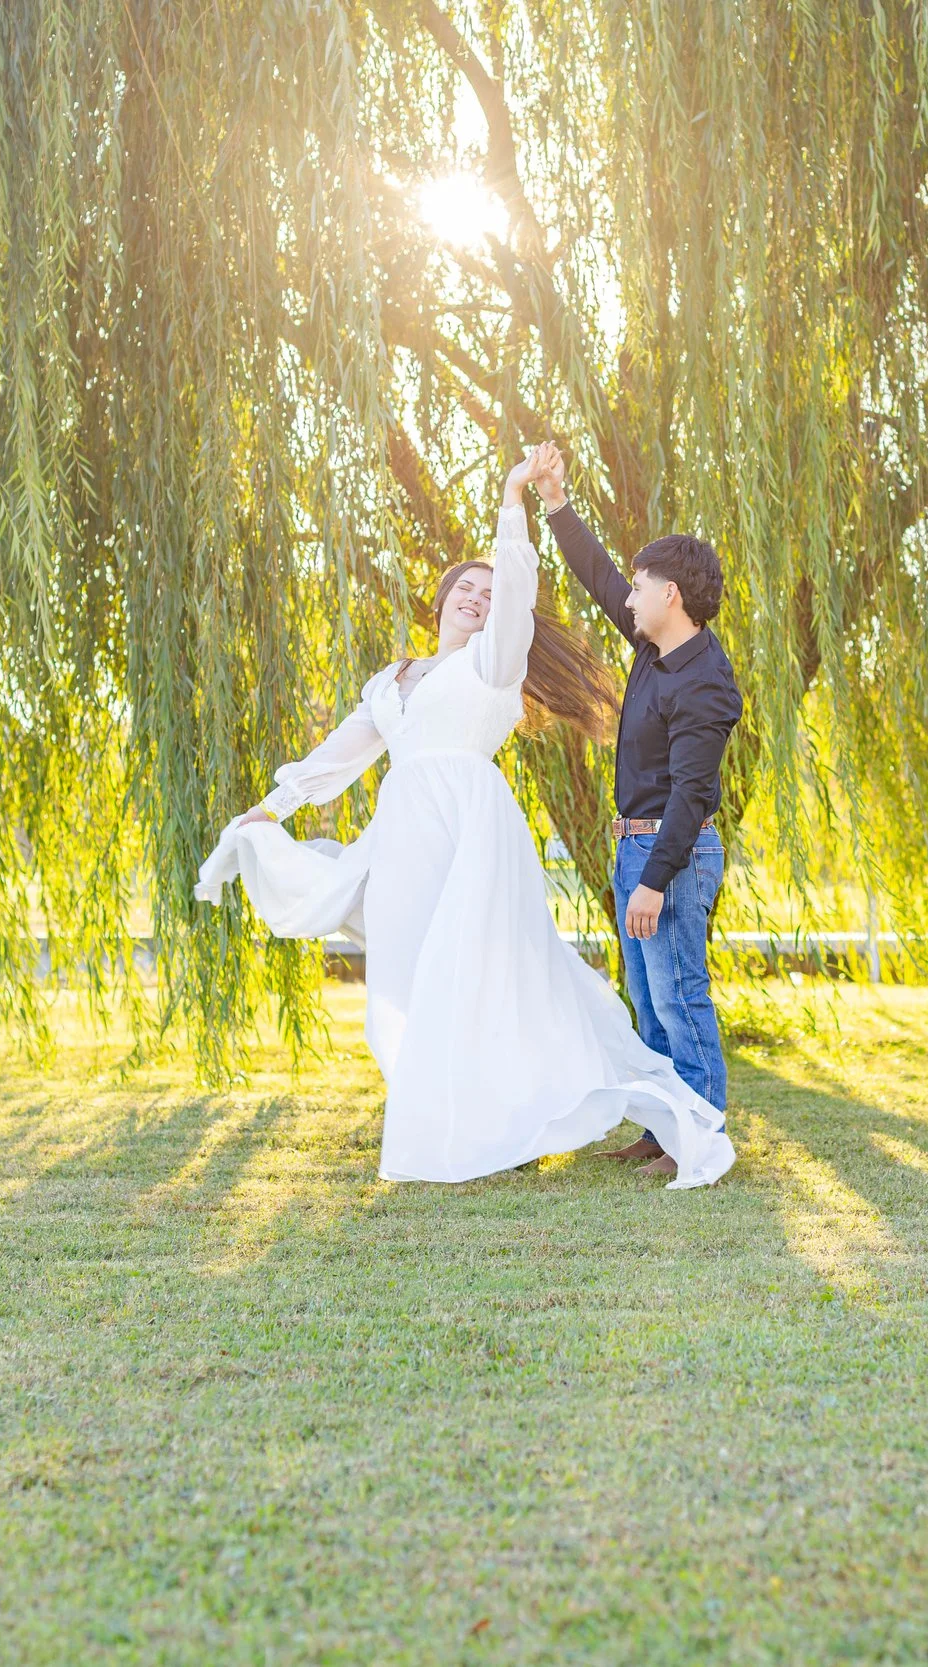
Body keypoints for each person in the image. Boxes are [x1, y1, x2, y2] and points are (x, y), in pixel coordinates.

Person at [193, 450, 736, 1190]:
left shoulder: (496, 665)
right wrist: (270, 806)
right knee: (417, 976)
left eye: (488, 590)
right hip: (408, 835)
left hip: (481, 835)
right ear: (440, 601)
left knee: (524, 978)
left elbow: (519, 590)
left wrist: (516, 501)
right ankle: (477, 1117)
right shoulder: (393, 681)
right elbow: (338, 754)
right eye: (466, 589)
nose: (479, 598)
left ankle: (676, 1122)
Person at [528, 443, 742, 1181]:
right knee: (649, 1005)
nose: (629, 597)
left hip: (670, 858)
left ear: (672, 596)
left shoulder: (706, 681)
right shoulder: (655, 650)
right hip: (634, 852)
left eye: (643, 586)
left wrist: (653, 879)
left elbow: (692, 796)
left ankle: (699, 1142)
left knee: (681, 998)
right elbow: (599, 577)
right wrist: (556, 500)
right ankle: (661, 1130)